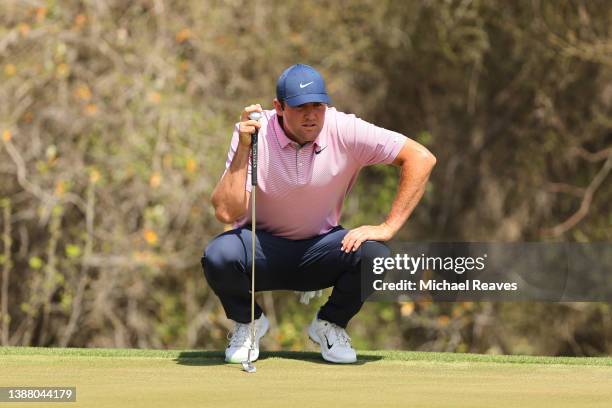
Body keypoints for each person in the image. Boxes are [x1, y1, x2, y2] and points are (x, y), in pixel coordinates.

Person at [201, 64, 436, 364]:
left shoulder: (343, 128)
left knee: (375, 255)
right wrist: (244, 149)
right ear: (279, 107)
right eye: (300, 107)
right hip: (261, 251)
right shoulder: (255, 134)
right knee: (218, 255)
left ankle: (330, 324)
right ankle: (249, 323)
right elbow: (225, 212)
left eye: (318, 105)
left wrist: (388, 226)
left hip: (320, 250)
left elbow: (421, 158)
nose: (311, 115)